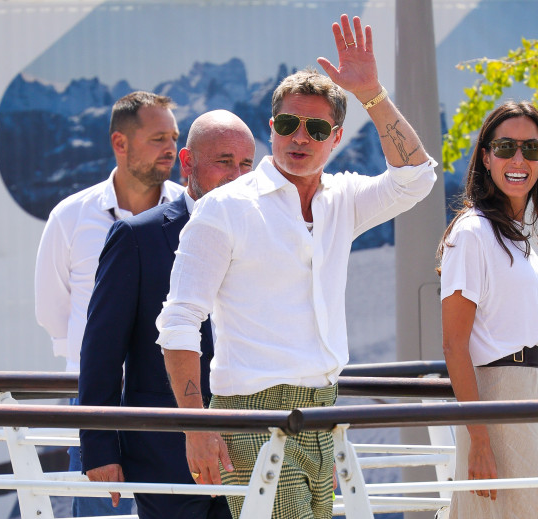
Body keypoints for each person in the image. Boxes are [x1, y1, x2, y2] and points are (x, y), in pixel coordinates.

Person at [156, 13, 437, 519]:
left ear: (335, 137)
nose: (299, 137)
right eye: (287, 124)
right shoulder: (227, 208)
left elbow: (417, 177)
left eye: (315, 127)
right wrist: (196, 427)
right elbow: (179, 321)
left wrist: (372, 93)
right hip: (252, 413)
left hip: (323, 410)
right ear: (272, 128)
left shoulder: (343, 199)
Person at [78, 110, 254, 519]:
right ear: (188, 163)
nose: (238, 175)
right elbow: (102, 352)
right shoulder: (137, 237)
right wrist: (100, 447)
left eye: (246, 164)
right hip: (165, 455)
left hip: (253, 450)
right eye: (224, 161)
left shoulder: (267, 234)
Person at [34, 91, 185, 516]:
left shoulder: (194, 215)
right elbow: (53, 312)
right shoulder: (70, 217)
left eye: (174, 137)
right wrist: (95, 369)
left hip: (173, 404)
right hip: (98, 406)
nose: (171, 148)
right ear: (120, 143)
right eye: (158, 138)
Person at [437, 101, 538, 519]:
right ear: (486, 156)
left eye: (532, 149)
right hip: (493, 401)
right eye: (506, 147)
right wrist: (479, 439)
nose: (518, 159)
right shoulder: (472, 233)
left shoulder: (515, 239)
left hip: (527, 398)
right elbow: (455, 346)